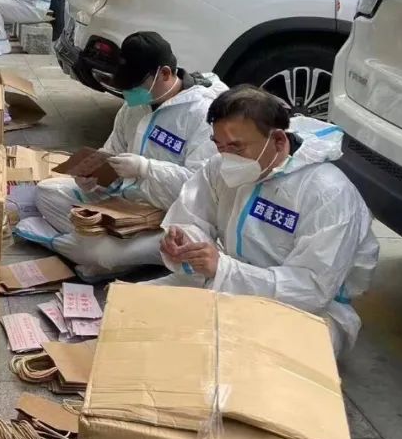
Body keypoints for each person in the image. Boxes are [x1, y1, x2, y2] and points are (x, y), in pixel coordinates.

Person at [157, 85, 379, 356]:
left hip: (308, 312)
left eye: (237, 147)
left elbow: (311, 290)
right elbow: (193, 217)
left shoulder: (327, 193)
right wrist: (186, 242)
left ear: (278, 140)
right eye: (219, 146)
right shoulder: (220, 167)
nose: (226, 158)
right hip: (226, 283)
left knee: (247, 356)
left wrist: (225, 270)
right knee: (138, 307)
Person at [23, 32, 227, 277]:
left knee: (104, 254)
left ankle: (92, 251)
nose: (130, 93)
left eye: (136, 85)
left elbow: (199, 189)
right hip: (122, 205)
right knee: (47, 192)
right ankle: (99, 251)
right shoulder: (134, 107)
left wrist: (146, 169)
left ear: (164, 73)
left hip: (169, 218)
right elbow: (112, 152)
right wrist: (93, 177)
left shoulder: (203, 114)